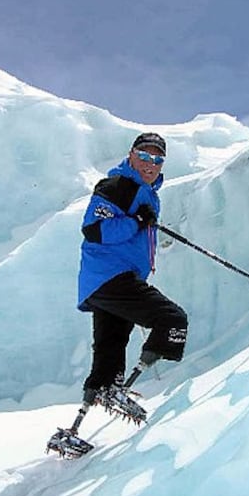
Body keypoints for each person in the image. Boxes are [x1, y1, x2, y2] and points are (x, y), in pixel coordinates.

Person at [77, 132, 188, 416]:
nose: (150, 163)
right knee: (172, 319)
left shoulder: (146, 194)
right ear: (131, 156)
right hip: (111, 275)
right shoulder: (118, 186)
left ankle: (93, 404)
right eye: (144, 156)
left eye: (157, 159)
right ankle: (132, 378)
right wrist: (137, 221)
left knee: (111, 344)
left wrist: (141, 220)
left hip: (106, 281)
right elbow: (95, 230)